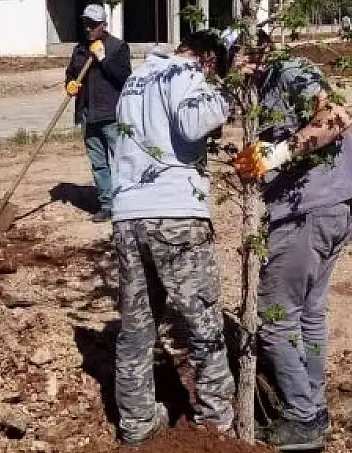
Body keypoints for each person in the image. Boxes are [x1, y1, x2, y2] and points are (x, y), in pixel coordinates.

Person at [233, 35, 352, 451]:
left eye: (237, 58)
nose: (235, 69)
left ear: (255, 50)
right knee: (308, 313)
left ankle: (302, 417)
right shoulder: (264, 86)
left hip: (308, 215)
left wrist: (272, 157)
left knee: (275, 319)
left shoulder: (290, 71)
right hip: (328, 210)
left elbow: (336, 118)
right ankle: (312, 406)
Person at [109, 31, 235, 446]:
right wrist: (227, 93)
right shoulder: (188, 70)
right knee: (203, 324)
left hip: (129, 215)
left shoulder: (137, 78)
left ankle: (137, 422)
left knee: (137, 327)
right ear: (209, 60)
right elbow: (193, 122)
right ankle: (217, 427)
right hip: (176, 213)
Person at [65, 4, 132, 222]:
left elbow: (124, 78)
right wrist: (70, 85)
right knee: (99, 163)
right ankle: (106, 204)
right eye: (85, 23)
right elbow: (71, 73)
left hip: (111, 114)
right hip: (88, 113)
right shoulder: (80, 49)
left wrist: (104, 58)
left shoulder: (118, 47)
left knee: (122, 160)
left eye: (93, 25)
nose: (88, 29)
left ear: (103, 25)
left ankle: (129, 203)